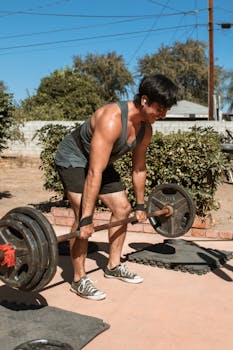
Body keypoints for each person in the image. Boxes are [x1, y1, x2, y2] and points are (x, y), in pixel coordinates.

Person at [55, 74, 178, 301]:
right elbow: (94, 172)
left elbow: (139, 169)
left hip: (100, 162)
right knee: (83, 213)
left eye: (166, 109)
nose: (163, 115)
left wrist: (140, 206)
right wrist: (86, 220)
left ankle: (113, 265)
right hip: (73, 158)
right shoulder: (112, 119)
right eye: (160, 108)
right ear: (144, 100)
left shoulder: (145, 129)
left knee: (123, 209)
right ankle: (79, 279)